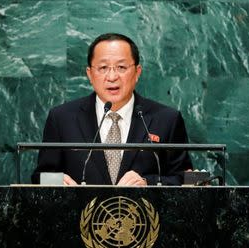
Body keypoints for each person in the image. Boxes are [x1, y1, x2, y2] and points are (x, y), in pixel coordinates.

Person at [31, 33, 192, 186]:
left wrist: (147, 183)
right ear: (90, 74)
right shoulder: (62, 118)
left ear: (137, 72)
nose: (112, 76)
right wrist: (56, 181)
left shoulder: (166, 119)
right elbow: (40, 177)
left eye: (121, 67)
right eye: (103, 68)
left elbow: (186, 179)